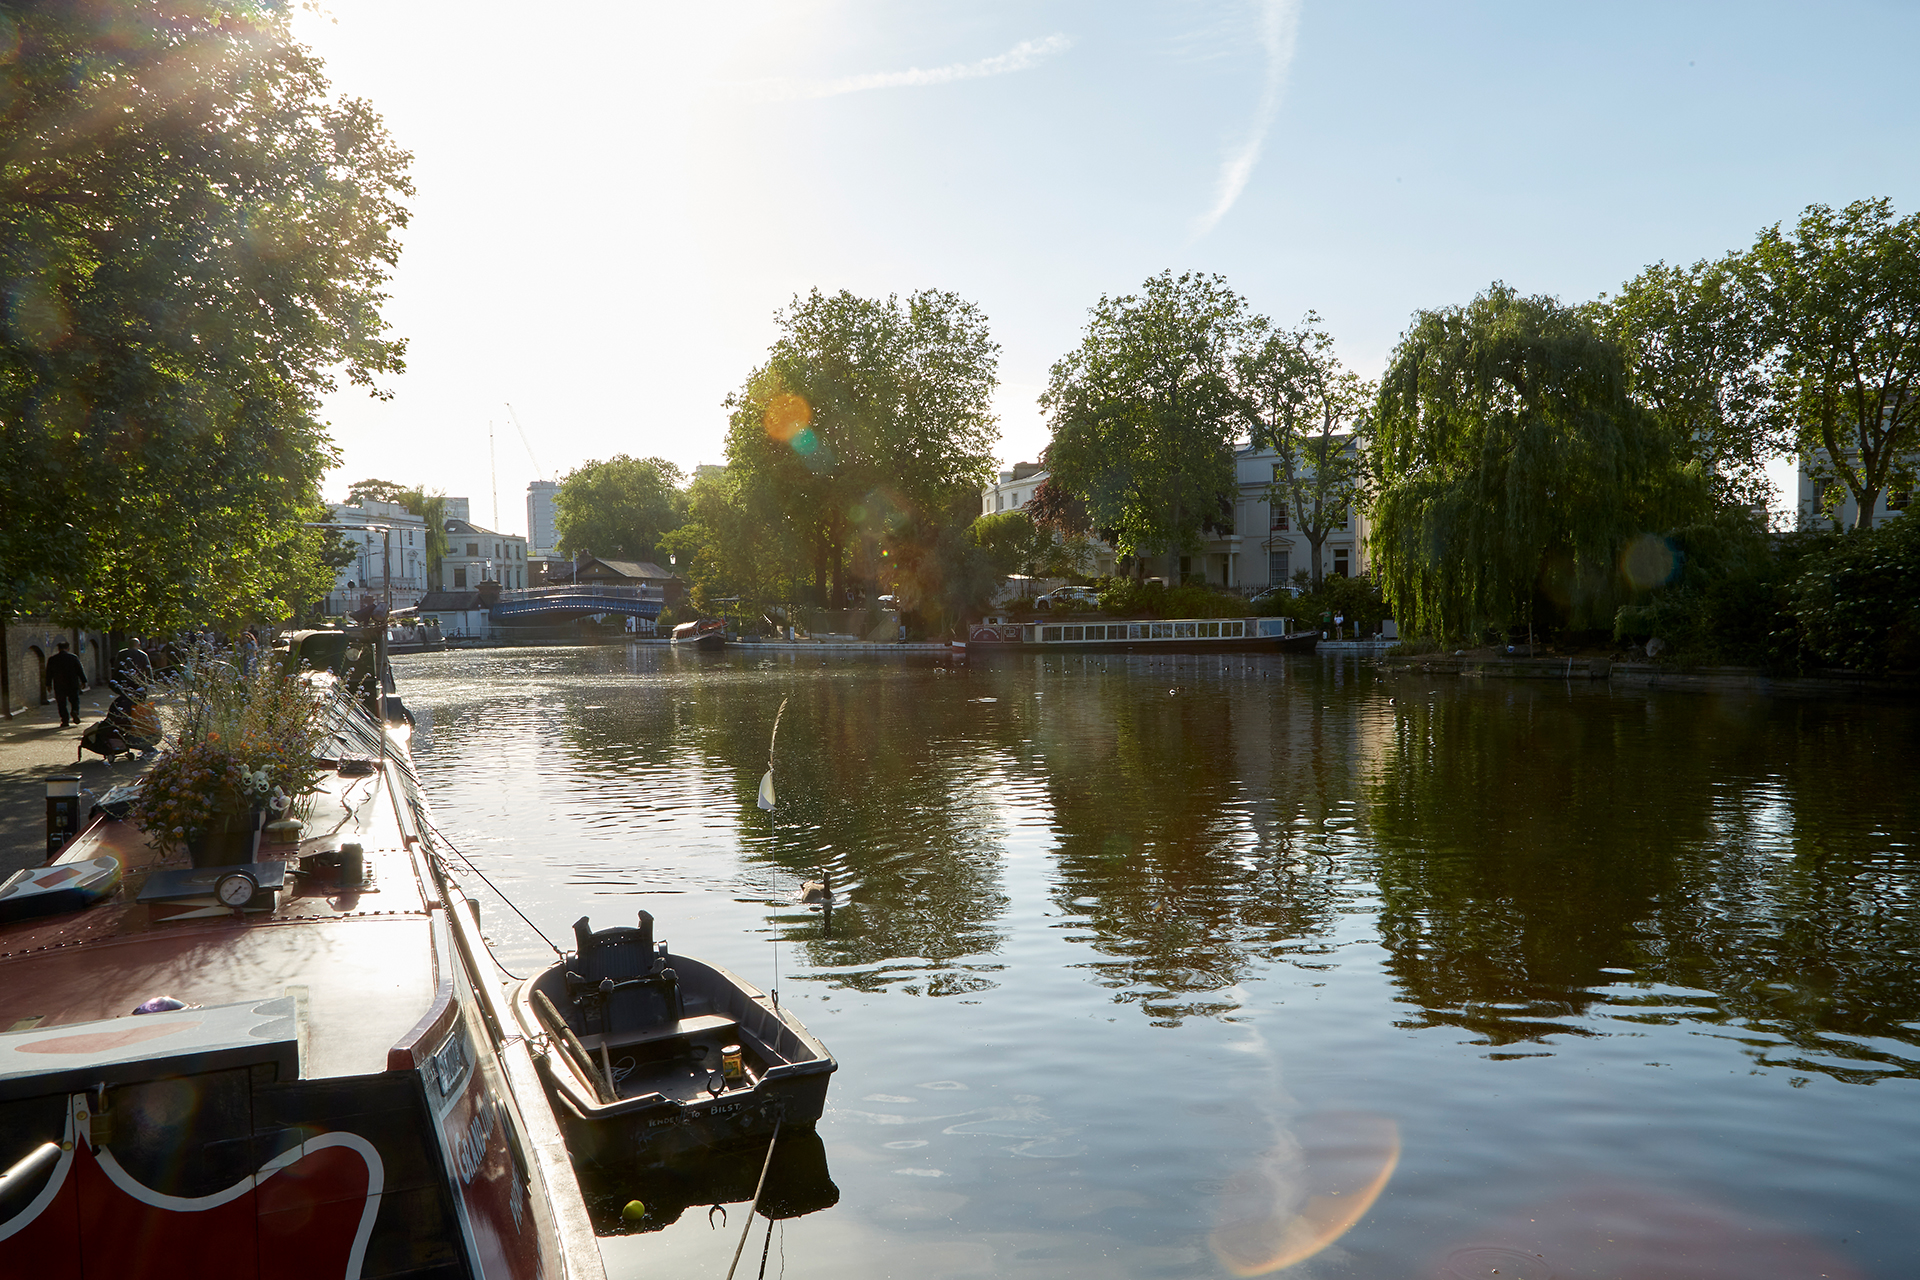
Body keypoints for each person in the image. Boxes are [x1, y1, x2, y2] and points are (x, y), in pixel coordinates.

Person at [46, 641, 88, 728]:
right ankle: (75, 711)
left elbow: (48, 673)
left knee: (61, 703)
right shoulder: (73, 658)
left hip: (59, 684)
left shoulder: (52, 659)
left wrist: (48, 684)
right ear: (68, 648)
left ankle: (65, 720)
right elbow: (79, 670)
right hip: (72, 683)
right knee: (74, 700)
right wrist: (84, 681)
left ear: (58, 649)